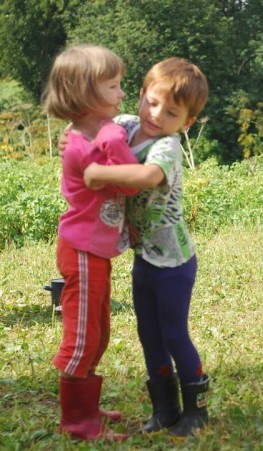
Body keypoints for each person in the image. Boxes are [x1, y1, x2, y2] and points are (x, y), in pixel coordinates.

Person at [82, 58, 210, 437]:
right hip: (145, 258)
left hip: (174, 262)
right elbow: (93, 129)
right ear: (140, 95)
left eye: (171, 113)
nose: (156, 115)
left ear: (186, 122)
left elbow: (148, 176)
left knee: (174, 333)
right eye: (152, 103)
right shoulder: (125, 125)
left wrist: (99, 173)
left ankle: (197, 409)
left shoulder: (168, 146)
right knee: (148, 335)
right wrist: (72, 139)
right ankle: (165, 408)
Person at [43, 45, 139, 441]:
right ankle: (77, 420)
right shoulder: (84, 146)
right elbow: (128, 181)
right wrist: (114, 139)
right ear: (83, 93)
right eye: (112, 86)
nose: (121, 93)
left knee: (98, 330)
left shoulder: (87, 133)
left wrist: (110, 133)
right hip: (81, 250)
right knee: (82, 335)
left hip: (94, 250)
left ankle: (87, 405)